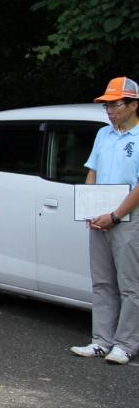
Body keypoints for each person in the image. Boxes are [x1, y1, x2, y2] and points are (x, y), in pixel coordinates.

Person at [70, 76, 139, 365]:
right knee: (101, 281)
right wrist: (89, 208)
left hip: (129, 218)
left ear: (134, 104)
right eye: (106, 105)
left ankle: (125, 344)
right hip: (100, 217)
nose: (110, 110)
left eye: (116, 104)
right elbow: (92, 171)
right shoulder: (103, 135)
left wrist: (115, 215)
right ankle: (101, 340)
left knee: (130, 284)